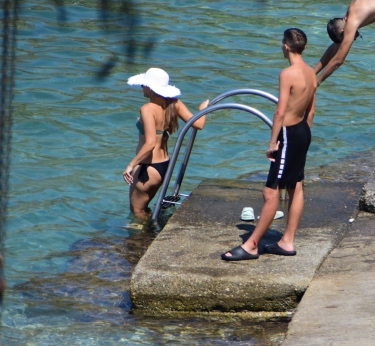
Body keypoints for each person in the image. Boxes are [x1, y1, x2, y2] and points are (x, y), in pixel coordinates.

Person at [222, 28, 316, 261]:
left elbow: (279, 112)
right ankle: (287, 241)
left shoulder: (288, 74)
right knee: (296, 186)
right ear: (303, 48)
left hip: (288, 133)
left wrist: (274, 142)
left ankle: (252, 244)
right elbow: (311, 109)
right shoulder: (311, 72)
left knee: (270, 191)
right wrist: (303, 135)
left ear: (285, 46)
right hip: (303, 131)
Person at [123, 67, 208, 220]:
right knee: (144, 208)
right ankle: (151, 232)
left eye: (144, 84)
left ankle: (142, 241)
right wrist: (203, 109)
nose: (142, 87)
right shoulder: (174, 103)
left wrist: (131, 165)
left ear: (151, 88)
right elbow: (199, 124)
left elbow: (149, 144)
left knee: (137, 211)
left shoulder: (148, 109)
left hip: (147, 167)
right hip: (164, 166)